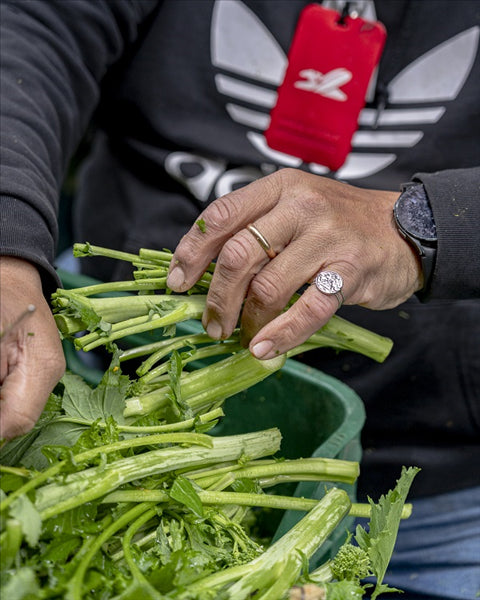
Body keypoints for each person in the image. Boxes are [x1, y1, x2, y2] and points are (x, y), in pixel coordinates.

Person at [1, 1, 479, 597]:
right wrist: (8, 246)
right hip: (113, 391)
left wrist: (434, 224)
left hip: (449, 480)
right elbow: (36, 28)